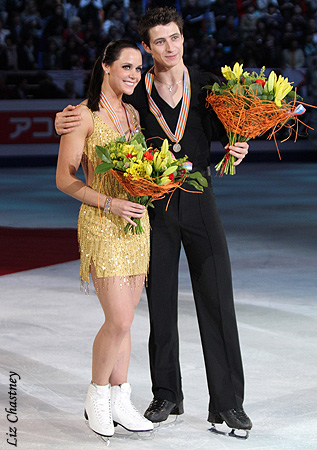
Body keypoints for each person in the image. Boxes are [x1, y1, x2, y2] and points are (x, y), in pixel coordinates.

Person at [55, 7, 252, 438]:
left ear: (184, 38)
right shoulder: (135, 92)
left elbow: (231, 128)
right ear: (146, 47)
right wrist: (62, 120)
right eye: (159, 41)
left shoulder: (207, 85)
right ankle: (167, 394)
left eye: (175, 38)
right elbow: (94, 117)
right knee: (159, 304)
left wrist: (240, 145)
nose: (169, 47)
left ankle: (228, 404)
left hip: (201, 203)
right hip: (153, 209)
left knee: (217, 300)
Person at [55, 39, 154, 440]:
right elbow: (65, 179)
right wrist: (110, 203)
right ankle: (96, 396)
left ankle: (120, 399)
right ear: (106, 66)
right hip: (101, 221)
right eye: (126, 66)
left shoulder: (133, 114)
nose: (133, 74)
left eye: (138, 68)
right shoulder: (83, 116)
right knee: (120, 319)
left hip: (136, 225)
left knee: (127, 323)